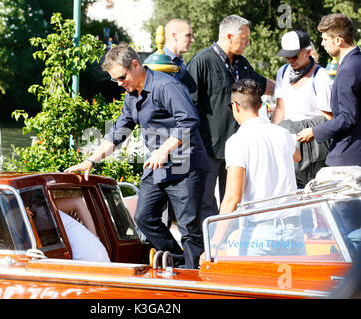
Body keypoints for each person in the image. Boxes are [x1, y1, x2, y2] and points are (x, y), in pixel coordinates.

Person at [65, 44, 211, 269]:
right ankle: (179, 260)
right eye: (115, 80)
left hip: (185, 163)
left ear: (135, 65)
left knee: (189, 229)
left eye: (122, 77)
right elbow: (117, 133)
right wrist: (91, 159)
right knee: (144, 217)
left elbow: (189, 121)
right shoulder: (131, 96)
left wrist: (164, 150)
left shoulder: (166, 86)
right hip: (158, 165)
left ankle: (195, 280)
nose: (120, 83)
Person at [181, 15, 275, 218]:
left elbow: (260, 84)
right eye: (245, 38)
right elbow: (187, 106)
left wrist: (287, 87)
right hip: (208, 149)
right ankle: (212, 245)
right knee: (205, 202)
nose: (248, 43)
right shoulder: (202, 61)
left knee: (235, 199)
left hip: (239, 146)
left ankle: (231, 244)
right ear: (229, 36)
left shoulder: (242, 63)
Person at [206, 79, 303, 258]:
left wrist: (214, 244)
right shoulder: (282, 134)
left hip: (261, 231)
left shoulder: (237, 142)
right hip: (293, 228)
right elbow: (297, 156)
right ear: (261, 106)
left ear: (235, 106)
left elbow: (232, 198)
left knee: (260, 284)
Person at [297, 13, 361, 166]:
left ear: (338, 40)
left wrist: (315, 132)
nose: (323, 44)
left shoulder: (348, 69)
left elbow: (347, 117)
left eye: (325, 39)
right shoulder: (356, 62)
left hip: (348, 155)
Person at [271, 30, 333, 188]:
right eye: (287, 56)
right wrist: (272, 136)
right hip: (288, 138)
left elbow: (329, 117)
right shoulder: (283, 72)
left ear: (307, 52)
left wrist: (312, 133)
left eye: (294, 55)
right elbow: (280, 108)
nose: (290, 60)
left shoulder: (321, 76)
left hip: (313, 142)